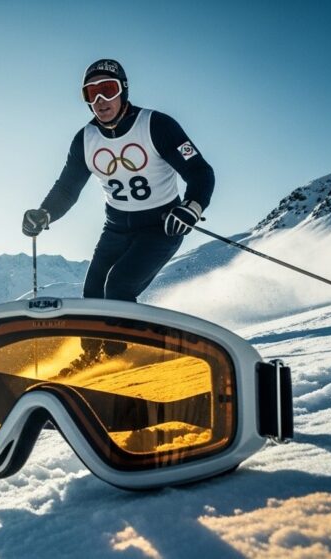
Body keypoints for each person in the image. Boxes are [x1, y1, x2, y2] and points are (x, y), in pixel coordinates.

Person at [21, 58, 215, 369]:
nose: (100, 101)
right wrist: (44, 214)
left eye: (107, 90)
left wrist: (191, 206)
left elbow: (200, 172)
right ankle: (93, 357)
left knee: (119, 286)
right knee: (93, 292)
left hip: (162, 224)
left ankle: (121, 361)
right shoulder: (85, 139)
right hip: (116, 226)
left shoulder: (156, 125)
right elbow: (68, 188)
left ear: (123, 90)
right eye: (90, 93)